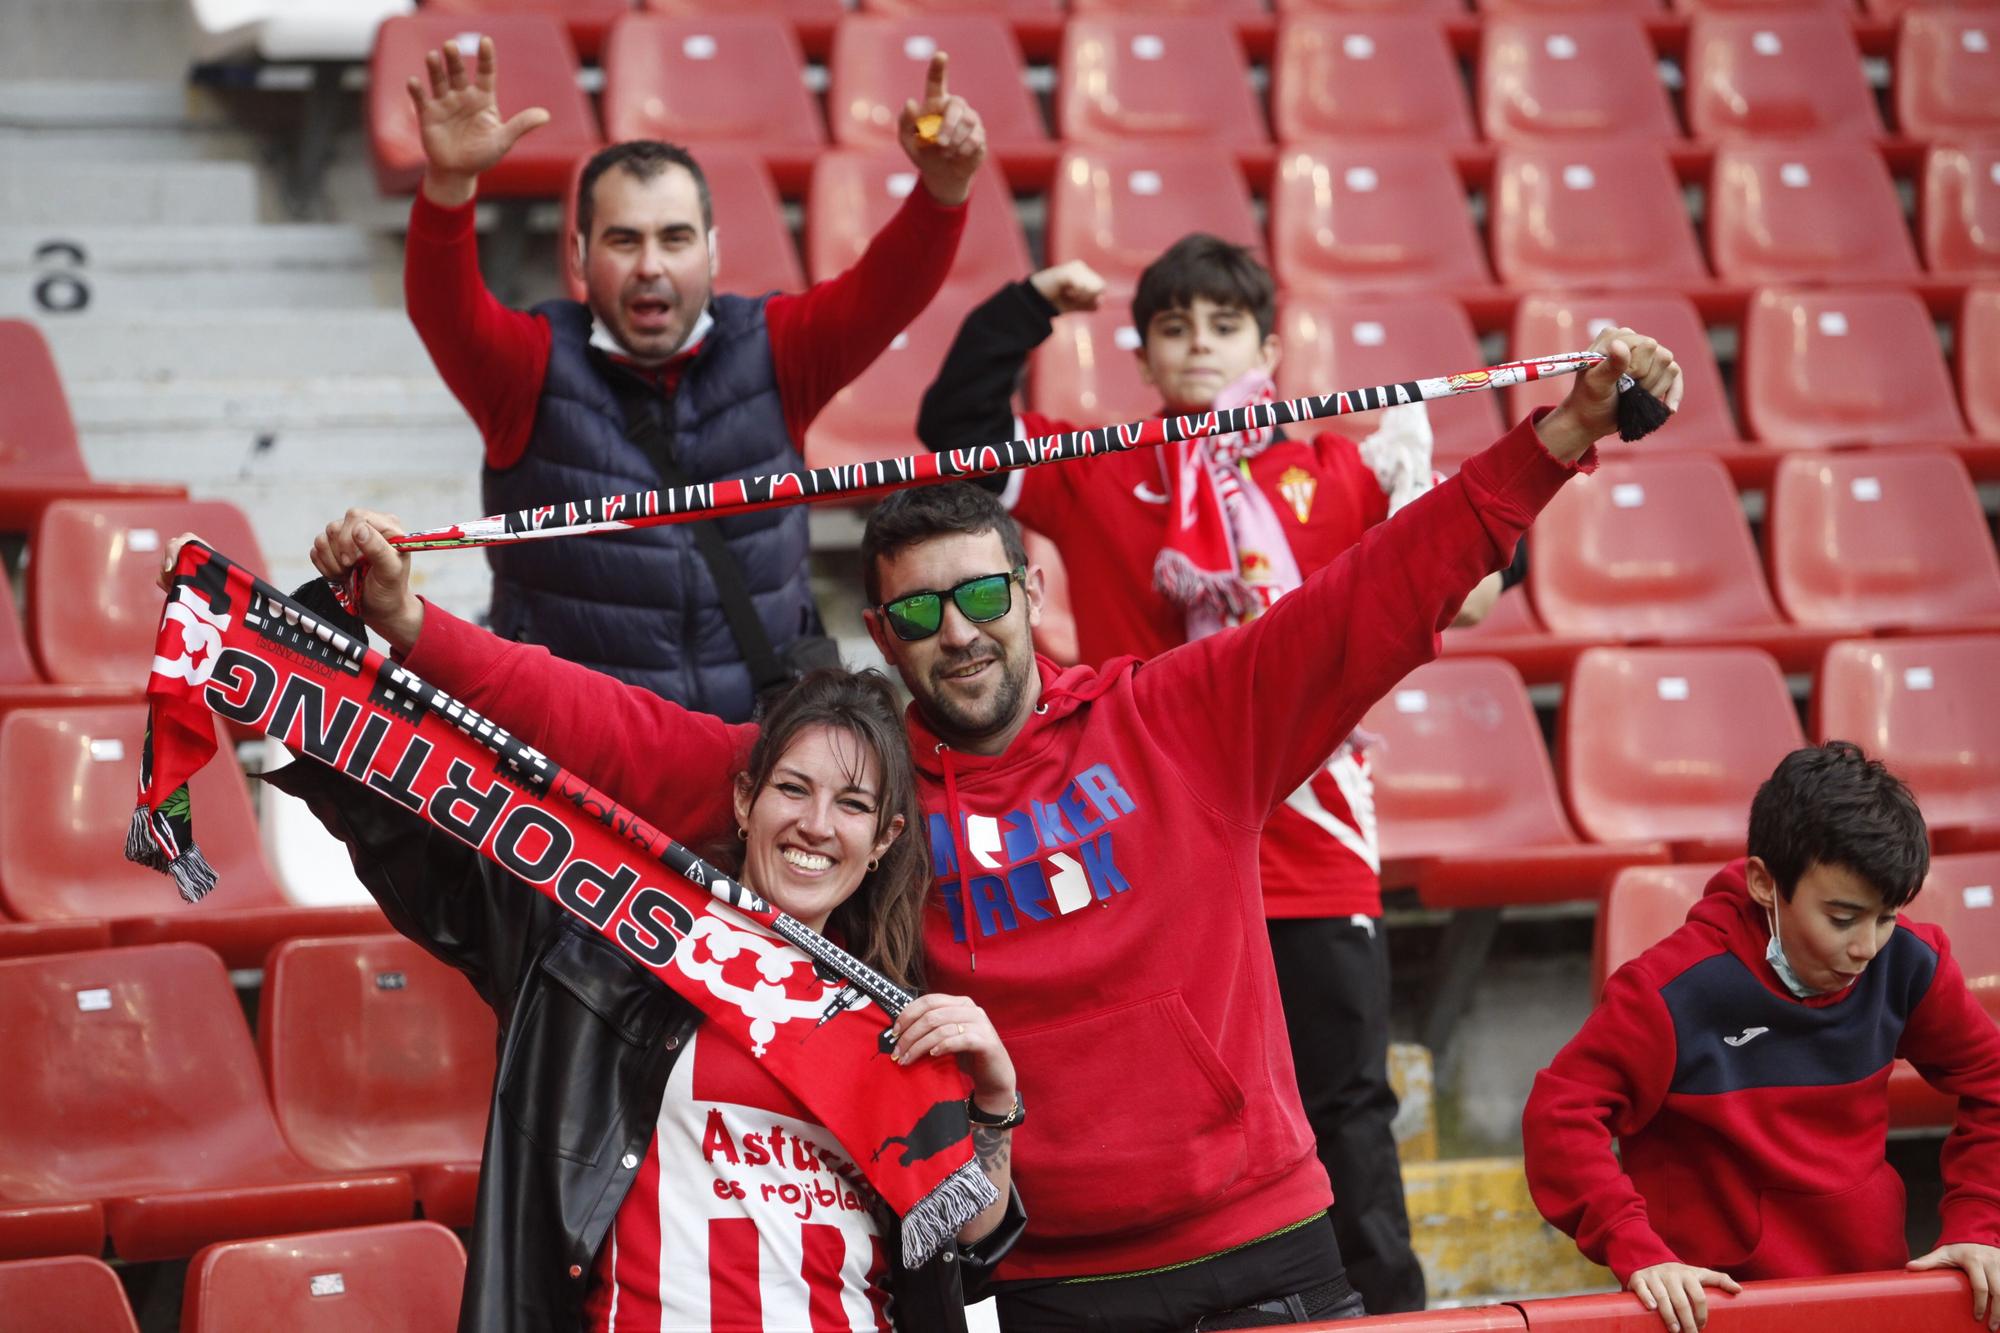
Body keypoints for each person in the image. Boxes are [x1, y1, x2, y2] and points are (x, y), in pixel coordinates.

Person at [304, 323, 1679, 1329]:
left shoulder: (1189, 713)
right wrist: (415, 627)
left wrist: (1557, 437)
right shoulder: (859, 788)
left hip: (1261, 1250)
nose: (953, 634)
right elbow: (613, 734)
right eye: (912, 612)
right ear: (883, 638)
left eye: (977, 597)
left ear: (1029, 588)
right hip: (1035, 1280)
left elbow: (1388, 588)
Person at [912, 236, 1505, 1313]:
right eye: (1173, 327)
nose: (1196, 348)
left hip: (1312, 837)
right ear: (1143, 354)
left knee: (1348, 1106)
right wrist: (1022, 310)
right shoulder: (1099, 462)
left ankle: (1384, 1315)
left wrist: (1420, 483)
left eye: (1220, 326)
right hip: (1156, 847)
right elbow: (953, 440)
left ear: (1267, 345)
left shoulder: (1335, 467)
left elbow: (1467, 591)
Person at [249, 657, 1026, 1332]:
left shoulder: (891, 1021)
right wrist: (287, 637)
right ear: (745, 799)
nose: (817, 824)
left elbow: (969, 1245)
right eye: (793, 788)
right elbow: (410, 827)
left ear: (883, 839)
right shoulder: (606, 953)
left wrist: (993, 1100)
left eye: (852, 805)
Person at [400, 35, 986, 720]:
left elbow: (888, 289)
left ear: (710, 252)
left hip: (759, 754)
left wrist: (943, 190)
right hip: (580, 758)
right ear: (579, 255)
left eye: (675, 238)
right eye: (625, 240)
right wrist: (448, 189)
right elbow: (443, 308)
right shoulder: (526, 365)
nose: (651, 264)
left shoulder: (775, 347)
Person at [1523, 741, 2000, 1333]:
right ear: (1763, 884)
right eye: (1843, 918)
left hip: (1872, 1294)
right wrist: (1636, 1246)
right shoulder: (1671, 989)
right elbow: (1560, 1115)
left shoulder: (1908, 962)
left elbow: (1993, 1081)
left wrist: (1980, 1223)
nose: (1865, 948)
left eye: (1886, 917)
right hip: (1715, 1313)